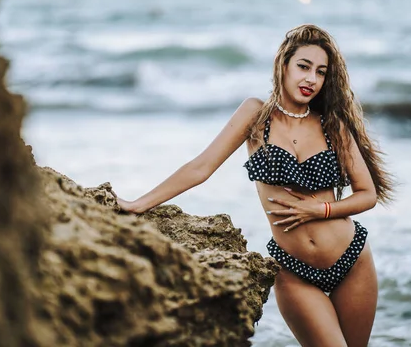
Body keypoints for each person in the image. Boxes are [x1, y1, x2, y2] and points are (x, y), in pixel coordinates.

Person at [117, 24, 395, 347]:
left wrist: (320, 209)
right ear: (284, 64)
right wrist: (140, 203)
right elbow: (201, 167)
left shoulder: (332, 124)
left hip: (352, 261)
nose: (311, 79)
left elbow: (368, 194)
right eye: (303, 67)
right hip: (294, 272)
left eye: (320, 72)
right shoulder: (256, 116)